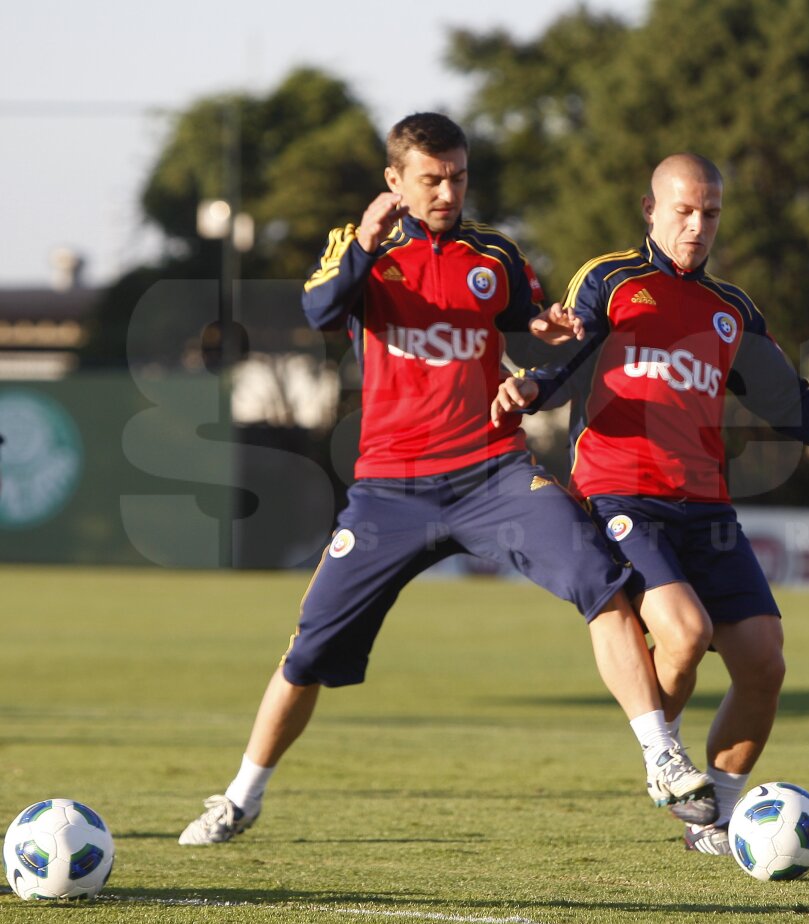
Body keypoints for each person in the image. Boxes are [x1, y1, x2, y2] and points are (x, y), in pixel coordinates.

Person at [178, 115, 715, 846]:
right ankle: (241, 797)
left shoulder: (493, 252)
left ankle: (660, 755)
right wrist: (365, 242)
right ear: (394, 180)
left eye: (457, 177)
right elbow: (319, 309)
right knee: (307, 654)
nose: (447, 191)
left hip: (493, 473)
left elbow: (527, 316)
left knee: (601, 579)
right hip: (390, 491)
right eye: (430, 179)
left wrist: (546, 326)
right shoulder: (362, 247)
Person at [491, 153, 809, 855]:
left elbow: (789, 400)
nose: (697, 225)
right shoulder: (611, 280)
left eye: (710, 213)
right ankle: (661, 754)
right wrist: (533, 388)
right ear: (651, 210)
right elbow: (568, 354)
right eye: (683, 210)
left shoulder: (731, 309)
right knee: (683, 634)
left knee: (764, 662)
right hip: (620, 493)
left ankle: (715, 823)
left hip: (706, 507)